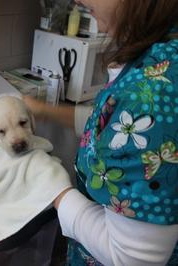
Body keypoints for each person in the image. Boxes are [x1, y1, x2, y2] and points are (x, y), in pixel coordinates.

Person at [24, 0, 178, 265]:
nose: (77, 0)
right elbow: (114, 127)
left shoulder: (152, 93)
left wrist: (52, 187)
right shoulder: (164, 52)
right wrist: (43, 110)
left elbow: (130, 259)